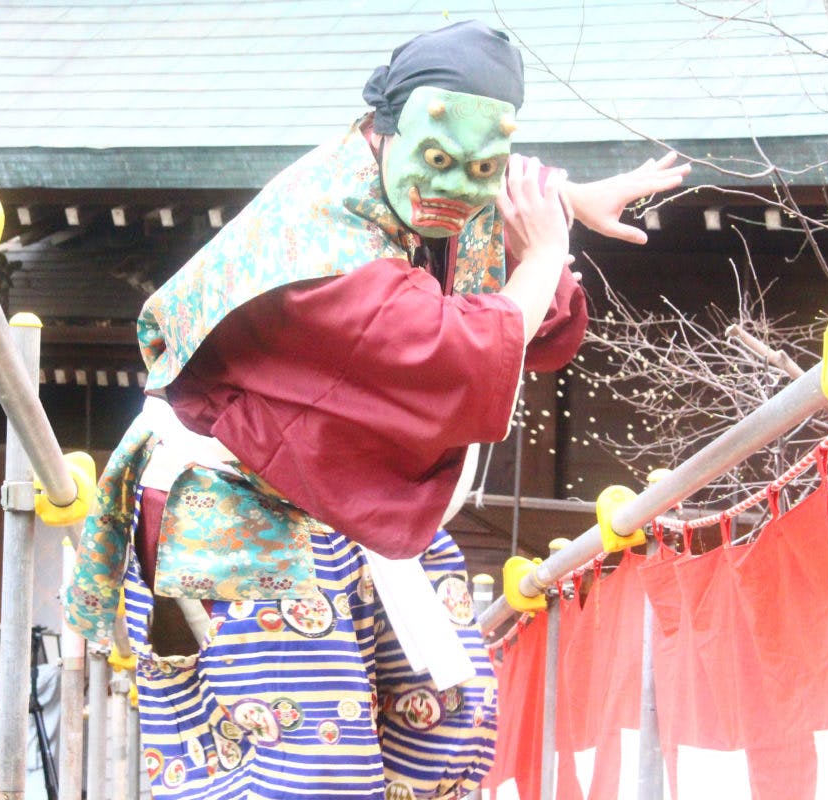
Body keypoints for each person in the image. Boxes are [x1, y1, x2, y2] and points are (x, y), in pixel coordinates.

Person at [65, 20, 688, 800]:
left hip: (347, 508)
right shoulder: (320, 241)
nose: (460, 189)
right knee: (302, 773)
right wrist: (545, 254)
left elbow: (482, 184)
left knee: (447, 727)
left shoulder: (421, 181)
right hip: (233, 517)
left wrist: (559, 196)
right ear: (383, 130)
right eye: (439, 163)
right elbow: (458, 351)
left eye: (484, 171)